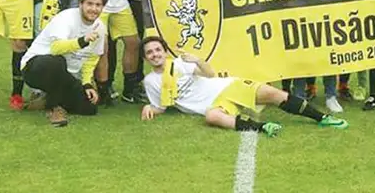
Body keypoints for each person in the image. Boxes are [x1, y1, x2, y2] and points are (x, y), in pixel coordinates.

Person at [139, 37, 349, 134]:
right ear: (146, 58)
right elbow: (162, 106)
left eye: (158, 49)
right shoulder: (150, 81)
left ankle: (322, 118)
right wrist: (150, 108)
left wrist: (198, 61)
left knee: (274, 94)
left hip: (228, 86)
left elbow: (210, 74)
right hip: (215, 104)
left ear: (165, 51)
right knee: (212, 117)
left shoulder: (180, 63)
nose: (155, 54)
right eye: (150, 52)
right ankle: (263, 127)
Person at [21, 0, 107, 127]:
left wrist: (86, 84)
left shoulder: (100, 27)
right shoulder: (66, 18)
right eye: (89, 4)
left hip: (65, 75)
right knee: (56, 62)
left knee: (89, 108)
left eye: (98, 5)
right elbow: (56, 48)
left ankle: (45, 100)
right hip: (35, 67)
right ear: (80, 4)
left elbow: (91, 59)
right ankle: (54, 108)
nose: (93, 9)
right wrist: (82, 41)